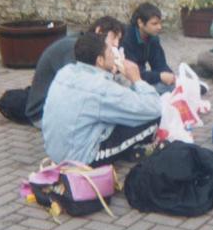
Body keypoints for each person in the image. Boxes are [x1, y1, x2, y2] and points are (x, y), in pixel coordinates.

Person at [42, 32, 161, 166]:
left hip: (54, 151)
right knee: (153, 120)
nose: (114, 55)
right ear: (100, 60)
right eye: (110, 52)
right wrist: (137, 79)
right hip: (81, 159)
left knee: (123, 113)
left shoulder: (65, 71)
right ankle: (128, 152)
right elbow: (155, 108)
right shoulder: (101, 87)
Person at [25, 16, 126, 127]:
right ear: (99, 31)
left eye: (119, 40)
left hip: (56, 107)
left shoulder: (85, 46)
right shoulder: (75, 48)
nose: (116, 44)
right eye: (114, 38)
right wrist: (111, 72)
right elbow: (81, 89)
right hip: (41, 113)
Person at [122, 3, 176, 94]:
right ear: (140, 23)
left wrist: (171, 77)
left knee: (173, 86)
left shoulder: (153, 38)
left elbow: (160, 65)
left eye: (160, 23)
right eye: (154, 24)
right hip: (125, 80)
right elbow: (133, 73)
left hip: (141, 78)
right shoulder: (127, 38)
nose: (159, 27)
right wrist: (160, 76)